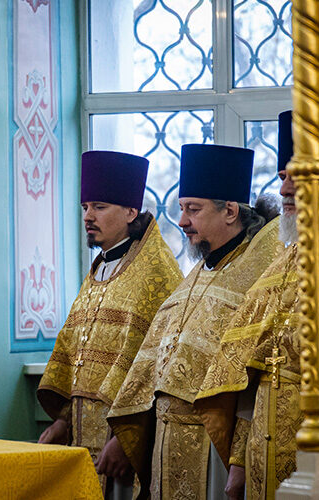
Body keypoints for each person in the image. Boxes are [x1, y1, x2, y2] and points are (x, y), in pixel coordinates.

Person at [107, 143, 282, 499]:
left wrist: (240, 461)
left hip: (214, 444)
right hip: (166, 441)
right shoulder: (202, 270)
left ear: (230, 210)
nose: (182, 221)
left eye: (193, 209)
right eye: (182, 208)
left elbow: (255, 376)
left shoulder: (258, 272)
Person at [37, 150, 183, 496]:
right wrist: (62, 419)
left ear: (131, 212)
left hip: (123, 439)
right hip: (80, 430)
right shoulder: (99, 267)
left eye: (100, 207)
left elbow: (157, 367)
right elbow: (75, 349)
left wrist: (125, 439)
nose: (88, 216)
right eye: (85, 207)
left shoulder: (157, 272)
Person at [194, 110, 302, 500]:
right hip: (260, 449)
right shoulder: (282, 262)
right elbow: (246, 378)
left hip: (315, 457)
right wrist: (239, 461)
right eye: (282, 178)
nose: (285, 190)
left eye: (297, 178)